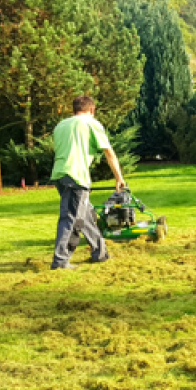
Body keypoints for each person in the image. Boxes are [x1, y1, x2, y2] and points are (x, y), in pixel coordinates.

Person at [49, 95, 127, 270]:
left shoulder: (61, 125)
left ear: (74, 109)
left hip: (60, 175)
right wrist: (119, 178)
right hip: (76, 176)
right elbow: (109, 153)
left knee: (85, 215)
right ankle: (60, 260)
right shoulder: (91, 123)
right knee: (71, 218)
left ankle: (100, 253)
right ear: (92, 110)